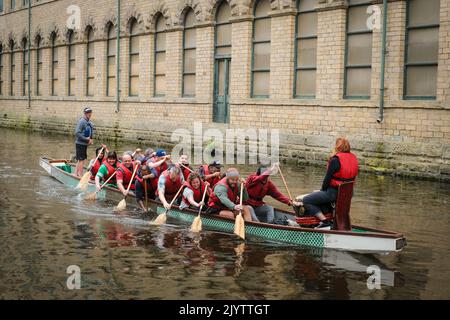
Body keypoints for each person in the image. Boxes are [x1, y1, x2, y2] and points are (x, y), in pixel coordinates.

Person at [299, 137, 359, 229]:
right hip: (348, 193)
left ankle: (324, 221)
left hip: (333, 193)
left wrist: (322, 191)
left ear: (338, 147)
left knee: (306, 200)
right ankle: (338, 222)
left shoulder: (335, 159)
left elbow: (327, 179)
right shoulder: (354, 158)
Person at [74, 107, 94, 177]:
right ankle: (80, 175)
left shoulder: (89, 122)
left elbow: (91, 131)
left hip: (84, 144)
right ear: (85, 113)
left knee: (80, 159)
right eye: (87, 113)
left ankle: (75, 173)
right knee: (81, 160)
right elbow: (77, 133)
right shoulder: (81, 121)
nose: (89, 114)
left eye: (90, 112)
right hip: (80, 143)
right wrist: (86, 139)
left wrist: (91, 139)